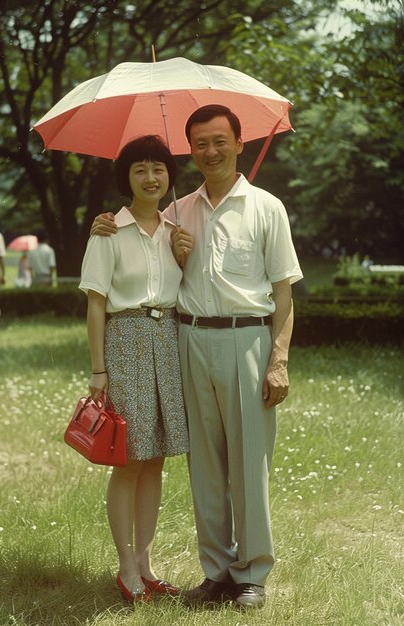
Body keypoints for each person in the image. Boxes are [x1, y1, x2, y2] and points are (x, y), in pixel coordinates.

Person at [91, 105, 303, 609]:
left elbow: (284, 292)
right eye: (200, 144)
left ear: (239, 144)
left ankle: (252, 572)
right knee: (204, 464)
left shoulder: (267, 207)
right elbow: (136, 229)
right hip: (189, 341)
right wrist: (107, 221)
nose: (210, 151)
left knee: (250, 462)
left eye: (219, 141)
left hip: (247, 340)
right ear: (191, 149)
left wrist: (278, 359)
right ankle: (216, 570)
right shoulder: (177, 210)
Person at [79, 135, 189, 603]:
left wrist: (185, 253)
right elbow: (95, 304)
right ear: (126, 177)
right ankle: (126, 569)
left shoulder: (176, 230)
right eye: (140, 168)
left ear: (169, 176)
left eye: (159, 168)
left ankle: (147, 563)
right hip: (125, 345)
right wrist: (99, 370)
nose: (151, 177)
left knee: (157, 458)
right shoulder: (108, 232)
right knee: (129, 459)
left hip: (168, 344)